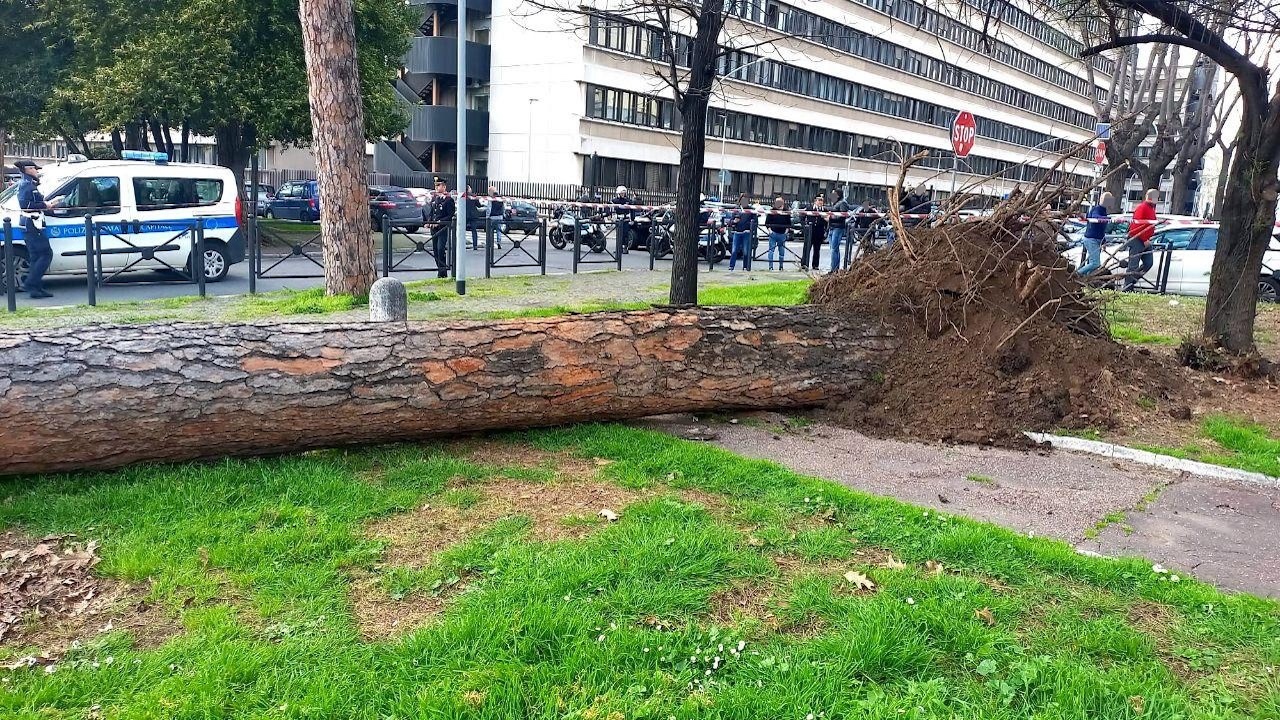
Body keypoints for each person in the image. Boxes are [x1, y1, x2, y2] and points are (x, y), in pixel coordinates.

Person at [15, 160, 61, 299]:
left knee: (36, 256)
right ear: (28, 169)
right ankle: (31, 283)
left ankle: (36, 288)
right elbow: (26, 205)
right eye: (35, 169)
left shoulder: (27, 183)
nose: (37, 171)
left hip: (30, 223)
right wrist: (46, 205)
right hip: (32, 224)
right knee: (46, 254)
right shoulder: (27, 185)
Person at [1124, 188, 1159, 291]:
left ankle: (1131, 282)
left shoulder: (1151, 208)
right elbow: (1136, 226)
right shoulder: (1142, 208)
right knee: (1133, 264)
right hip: (1137, 239)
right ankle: (1127, 287)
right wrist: (1144, 239)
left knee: (1148, 263)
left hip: (1145, 240)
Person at [1077, 192, 1112, 277]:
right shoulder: (1097, 209)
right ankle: (1077, 274)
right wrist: (1108, 219)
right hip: (1091, 239)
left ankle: (1086, 280)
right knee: (1095, 263)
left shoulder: (1103, 211)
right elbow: (1096, 217)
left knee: (1092, 263)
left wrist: (1103, 242)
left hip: (1096, 240)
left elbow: (1101, 229)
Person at [428, 178, 455, 279]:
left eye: (438, 185)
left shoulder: (449, 199)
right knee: (435, 250)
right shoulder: (435, 198)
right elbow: (432, 212)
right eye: (436, 185)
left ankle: (443, 271)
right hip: (434, 228)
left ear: (444, 187)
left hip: (442, 228)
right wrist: (429, 221)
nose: (436, 188)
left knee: (440, 249)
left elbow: (450, 214)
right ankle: (440, 270)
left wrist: (440, 222)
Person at [728, 194, 754, 271]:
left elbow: (755, 221)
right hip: (737, 232)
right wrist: (734, 221)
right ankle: (731, 266)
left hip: (746, 232)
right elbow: (730, 221)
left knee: (746, 251)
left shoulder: (751, 210)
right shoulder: (737, 209)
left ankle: (745, 267)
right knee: (734, 250)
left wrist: (749, 227)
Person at [827, 189, 850, 272]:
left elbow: (843, 215)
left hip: (838, 227)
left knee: (834, 249)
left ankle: (834, 269)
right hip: (832, 227)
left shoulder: (842, 203)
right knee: (833, 249)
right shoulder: (835, 203)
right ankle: (835, 267)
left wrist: (832, 217)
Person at [764, 197, 790, 271]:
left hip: (782, 234)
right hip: (773, 233)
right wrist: (770, 231)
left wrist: (786, 232)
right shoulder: (772, 211)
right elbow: (767, 223)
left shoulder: (786, 211)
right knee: (771, 250)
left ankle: (781, 266)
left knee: (781, 251)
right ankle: (770, 267)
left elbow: (789, 224)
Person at [802, 195, 827, 271]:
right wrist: (804, 226)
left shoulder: (824, 210)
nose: (820, 202)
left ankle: (815, 265)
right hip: (810, 231)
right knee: (807, 248)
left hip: (819, 231)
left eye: (821, 200)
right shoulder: (809, 208)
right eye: (819, 200)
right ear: (815, 201)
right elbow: (802, 216)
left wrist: (825, 229)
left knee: (817, 249)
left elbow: (827, 221)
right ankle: (804, 264)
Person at [486, 186, 506, 250]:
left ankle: (491, 243)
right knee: (499, 230)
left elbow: (489, 208)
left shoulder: (491, 199)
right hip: (499, 216)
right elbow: (503, 208)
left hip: (492, 216)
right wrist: (503, 214)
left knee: (491, 230)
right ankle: (499, 242)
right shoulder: (501, 199)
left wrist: (487, 216)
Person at [464, 185, 484, 249]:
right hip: (473, 215)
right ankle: (475, 245)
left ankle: (461, 244)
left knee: (462, 230)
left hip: (465, 214)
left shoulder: (463, 196)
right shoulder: (473, 196)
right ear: (469, 189)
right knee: (474, 231)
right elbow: (478, 205)